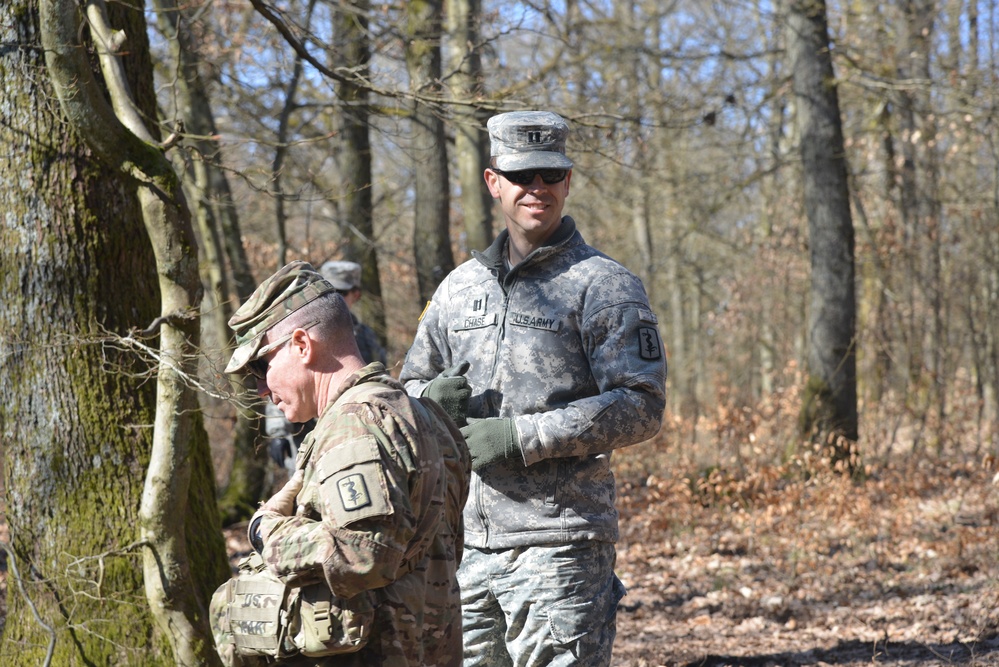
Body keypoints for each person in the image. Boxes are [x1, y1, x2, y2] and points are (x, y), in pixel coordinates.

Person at [399, 111, 667, 667]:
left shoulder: (605, 284)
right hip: (461, 546)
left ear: (567, 182)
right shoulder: (458, 288)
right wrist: (429, 405)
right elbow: (407, 386)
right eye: (523, 177)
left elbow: (641, 405)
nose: (537, 189)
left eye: (550, 175)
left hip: (559, 544)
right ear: (493, 181)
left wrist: (523, 436)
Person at [215, 260, 471, 667]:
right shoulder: (424, 415)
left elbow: (364, 554)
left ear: (302, 345)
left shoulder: (353, 425)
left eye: (261, 366)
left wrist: (269, 533)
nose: (261, 387)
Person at [265, 260, 386, 472]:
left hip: (352, 434)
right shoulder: (300, 327)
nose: (335, 296)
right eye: (330, 289)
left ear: (355, 294)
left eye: (342, 291)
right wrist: (277, 432)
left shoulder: (366, 337)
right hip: (306, 434)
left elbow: (380, 379)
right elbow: (279, 379)